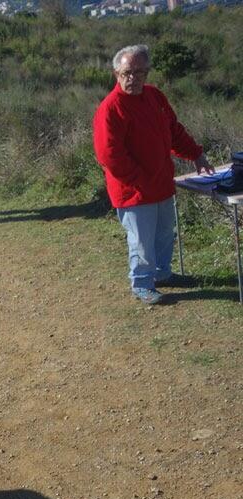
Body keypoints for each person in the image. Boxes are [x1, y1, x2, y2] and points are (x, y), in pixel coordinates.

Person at [93, 44, 213, 305]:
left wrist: (196, 154)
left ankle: (162, 274)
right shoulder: (110, 108)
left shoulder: (155, 96)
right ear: (116, 73)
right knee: (142, 242)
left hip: (160, 183)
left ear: (147, 73)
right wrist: (139, 180)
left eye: (139, 72)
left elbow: (174, 131)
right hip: (133, 191)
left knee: (164, 234)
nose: (133, 78)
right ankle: (142, 284)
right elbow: (109, 155)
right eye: (127, 72)